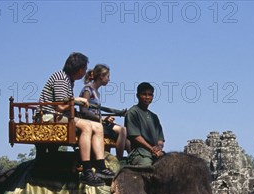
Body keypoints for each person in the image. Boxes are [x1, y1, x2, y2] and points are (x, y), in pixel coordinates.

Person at [38, 52, 115, 186]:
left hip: (61, 116)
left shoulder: (69, 80)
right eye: (84, 69)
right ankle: (86, 170)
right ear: (79, 69)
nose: (86, 72)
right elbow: (61, 107)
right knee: (86, 126)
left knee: (97, 126)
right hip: (49, 116)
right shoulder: (61, 78)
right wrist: (76, 100)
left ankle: (101, 166)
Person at [78, 64, 130, 160]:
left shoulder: (96, 92)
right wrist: (101, 119)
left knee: (125, 133)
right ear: (101, 76)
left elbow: (94, 111)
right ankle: (119, 159)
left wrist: (105, 118)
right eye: (107, 76)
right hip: (92, 122)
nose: (109, 79)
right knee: (122, 130)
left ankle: (130, 158)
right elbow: (84, 110)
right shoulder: (87, 90)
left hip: (98, 121)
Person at [125, 82, 165, 166]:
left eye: (150, 95)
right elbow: (135, 137)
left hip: (156, 153)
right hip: (140, 153)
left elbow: (160, 138)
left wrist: (159, 148)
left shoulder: (154, 116)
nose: (147, 97)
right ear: (138, 95)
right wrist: (151, 149)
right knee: (147, 168)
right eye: (144, 94)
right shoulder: (133, 112)